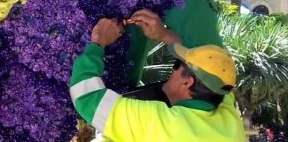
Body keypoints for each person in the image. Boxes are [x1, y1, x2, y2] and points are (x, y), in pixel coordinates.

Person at [70, 13, 246, 142]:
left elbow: (87, 96)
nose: (172, 69)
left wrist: (98, 41)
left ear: (187, 81)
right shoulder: (229, 121)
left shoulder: (162, 124)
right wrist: (162, 34)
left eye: (177, 65)